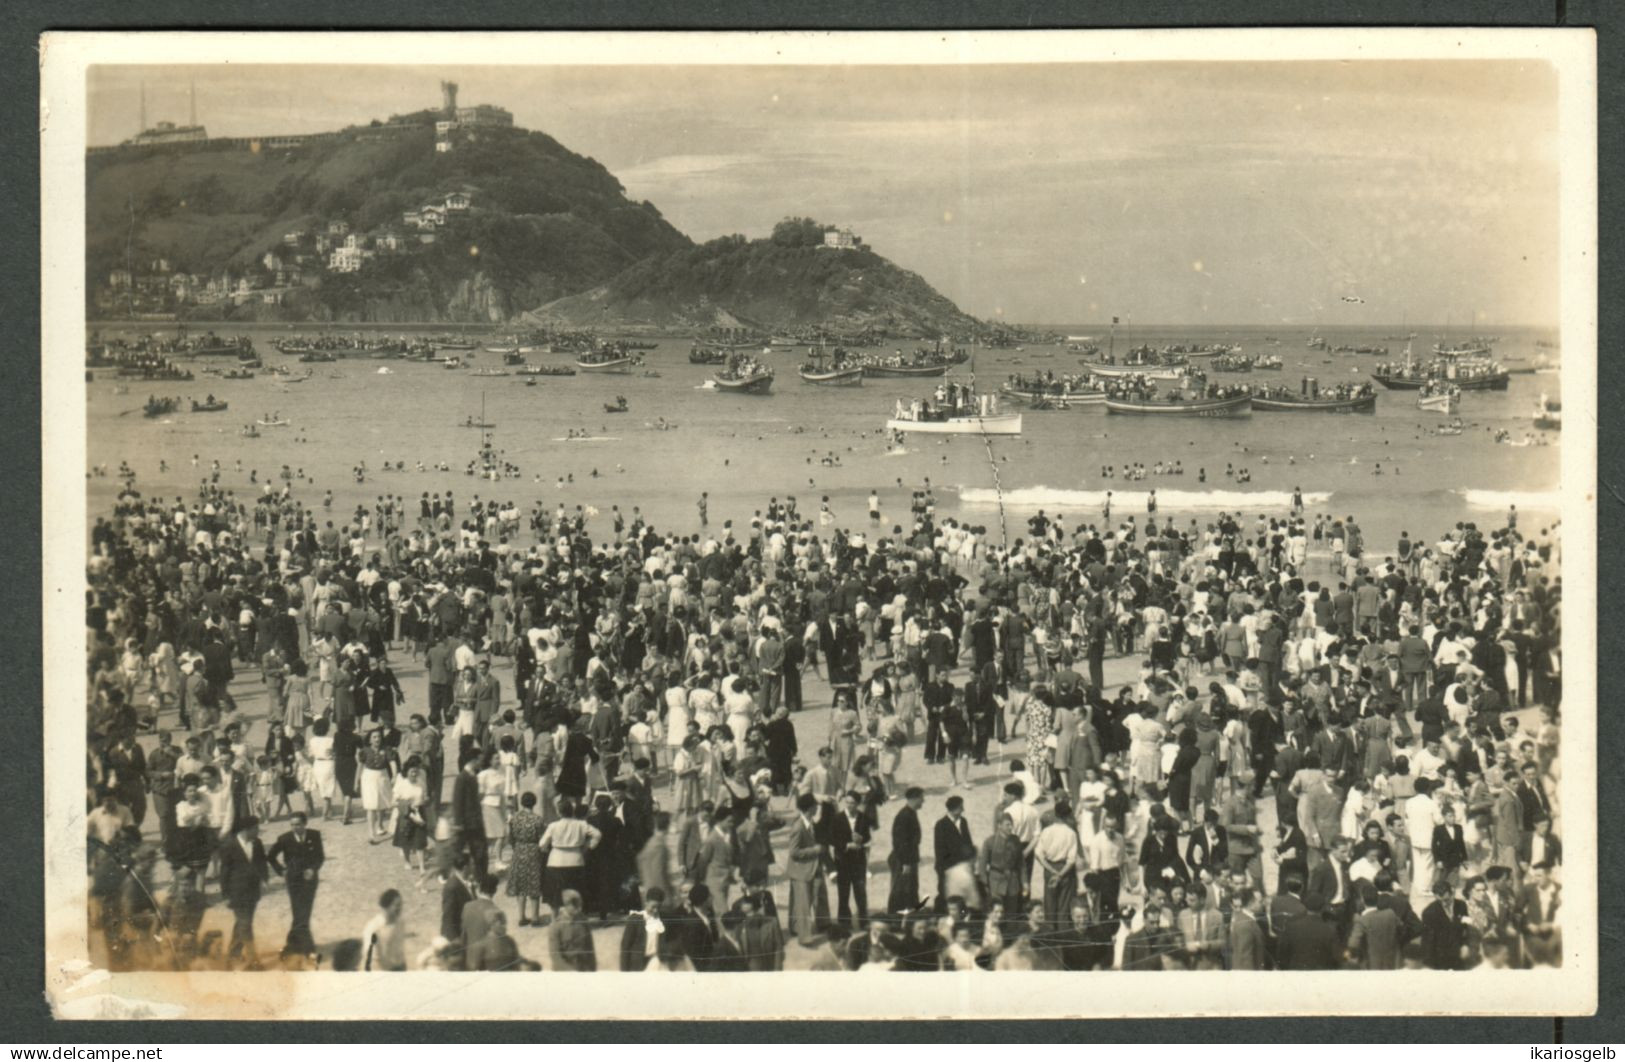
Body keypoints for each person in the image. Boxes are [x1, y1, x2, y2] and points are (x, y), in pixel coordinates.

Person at [266, 811, 325, 962]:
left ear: (305, 824)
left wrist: (313, 869)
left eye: (298, 824)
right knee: (301, 914)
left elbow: (320, 856)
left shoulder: (314, 835)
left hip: (310, 881)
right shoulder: (284, 839)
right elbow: (271, 856)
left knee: (302, 914)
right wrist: (282, 871)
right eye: (292, 824)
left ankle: (290, 947)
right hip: (293, 881)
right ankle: (309, 950)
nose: (295, 827)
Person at [217, 816, 269, 970]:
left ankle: (233, 954)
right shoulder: (229, 845)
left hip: (252, 892)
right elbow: (224, 871)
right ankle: (253, 960)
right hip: (236, 892)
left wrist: (264, 878)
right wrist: (225, 894)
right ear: (247, 829)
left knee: (242, 923)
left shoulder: (257, 843)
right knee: (245, 925)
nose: (258, 831)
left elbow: (261, 862)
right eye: (256, 828)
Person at [828, 790, 872, 929]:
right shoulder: (837, 818)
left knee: (861, 894)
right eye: (847, 802)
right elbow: (832, 839)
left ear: (858, 804)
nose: (849, 805)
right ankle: (844, 924)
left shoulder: (863, 817)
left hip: (859, 861)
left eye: (852, 803)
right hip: (843, 861)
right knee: (844, 894)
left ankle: (863, 922)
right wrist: (847, 845)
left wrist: (861, 840)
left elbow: (867, 837)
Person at [933, 795, 977, 911]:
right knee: (947, 897)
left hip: (963, 867)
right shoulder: (941, 825)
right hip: (948, 867)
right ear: (954, 809)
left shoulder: (963, 822)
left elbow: (968, 841)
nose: (963, 810)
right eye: (961, 807)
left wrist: (971, 858)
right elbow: (940, 850)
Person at [549, 889, 598, 972]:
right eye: (575, 905)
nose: (579, 908)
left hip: (584, 968)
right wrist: (571, 972)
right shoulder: (556, 926)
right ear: (566, 905)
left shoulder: (583, 922)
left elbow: (590, 947)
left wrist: (592, 968)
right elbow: (556, 956)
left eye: (580, 904)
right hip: (565, 971)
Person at [360, 889, 408, 972]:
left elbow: (400, 948)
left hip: (400, 968)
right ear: (386, 907)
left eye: (401, 905)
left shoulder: (401, 922)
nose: (400, 908)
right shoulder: (373, 928)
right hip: (382, 971)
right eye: (396, 905)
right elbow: (371, 956)